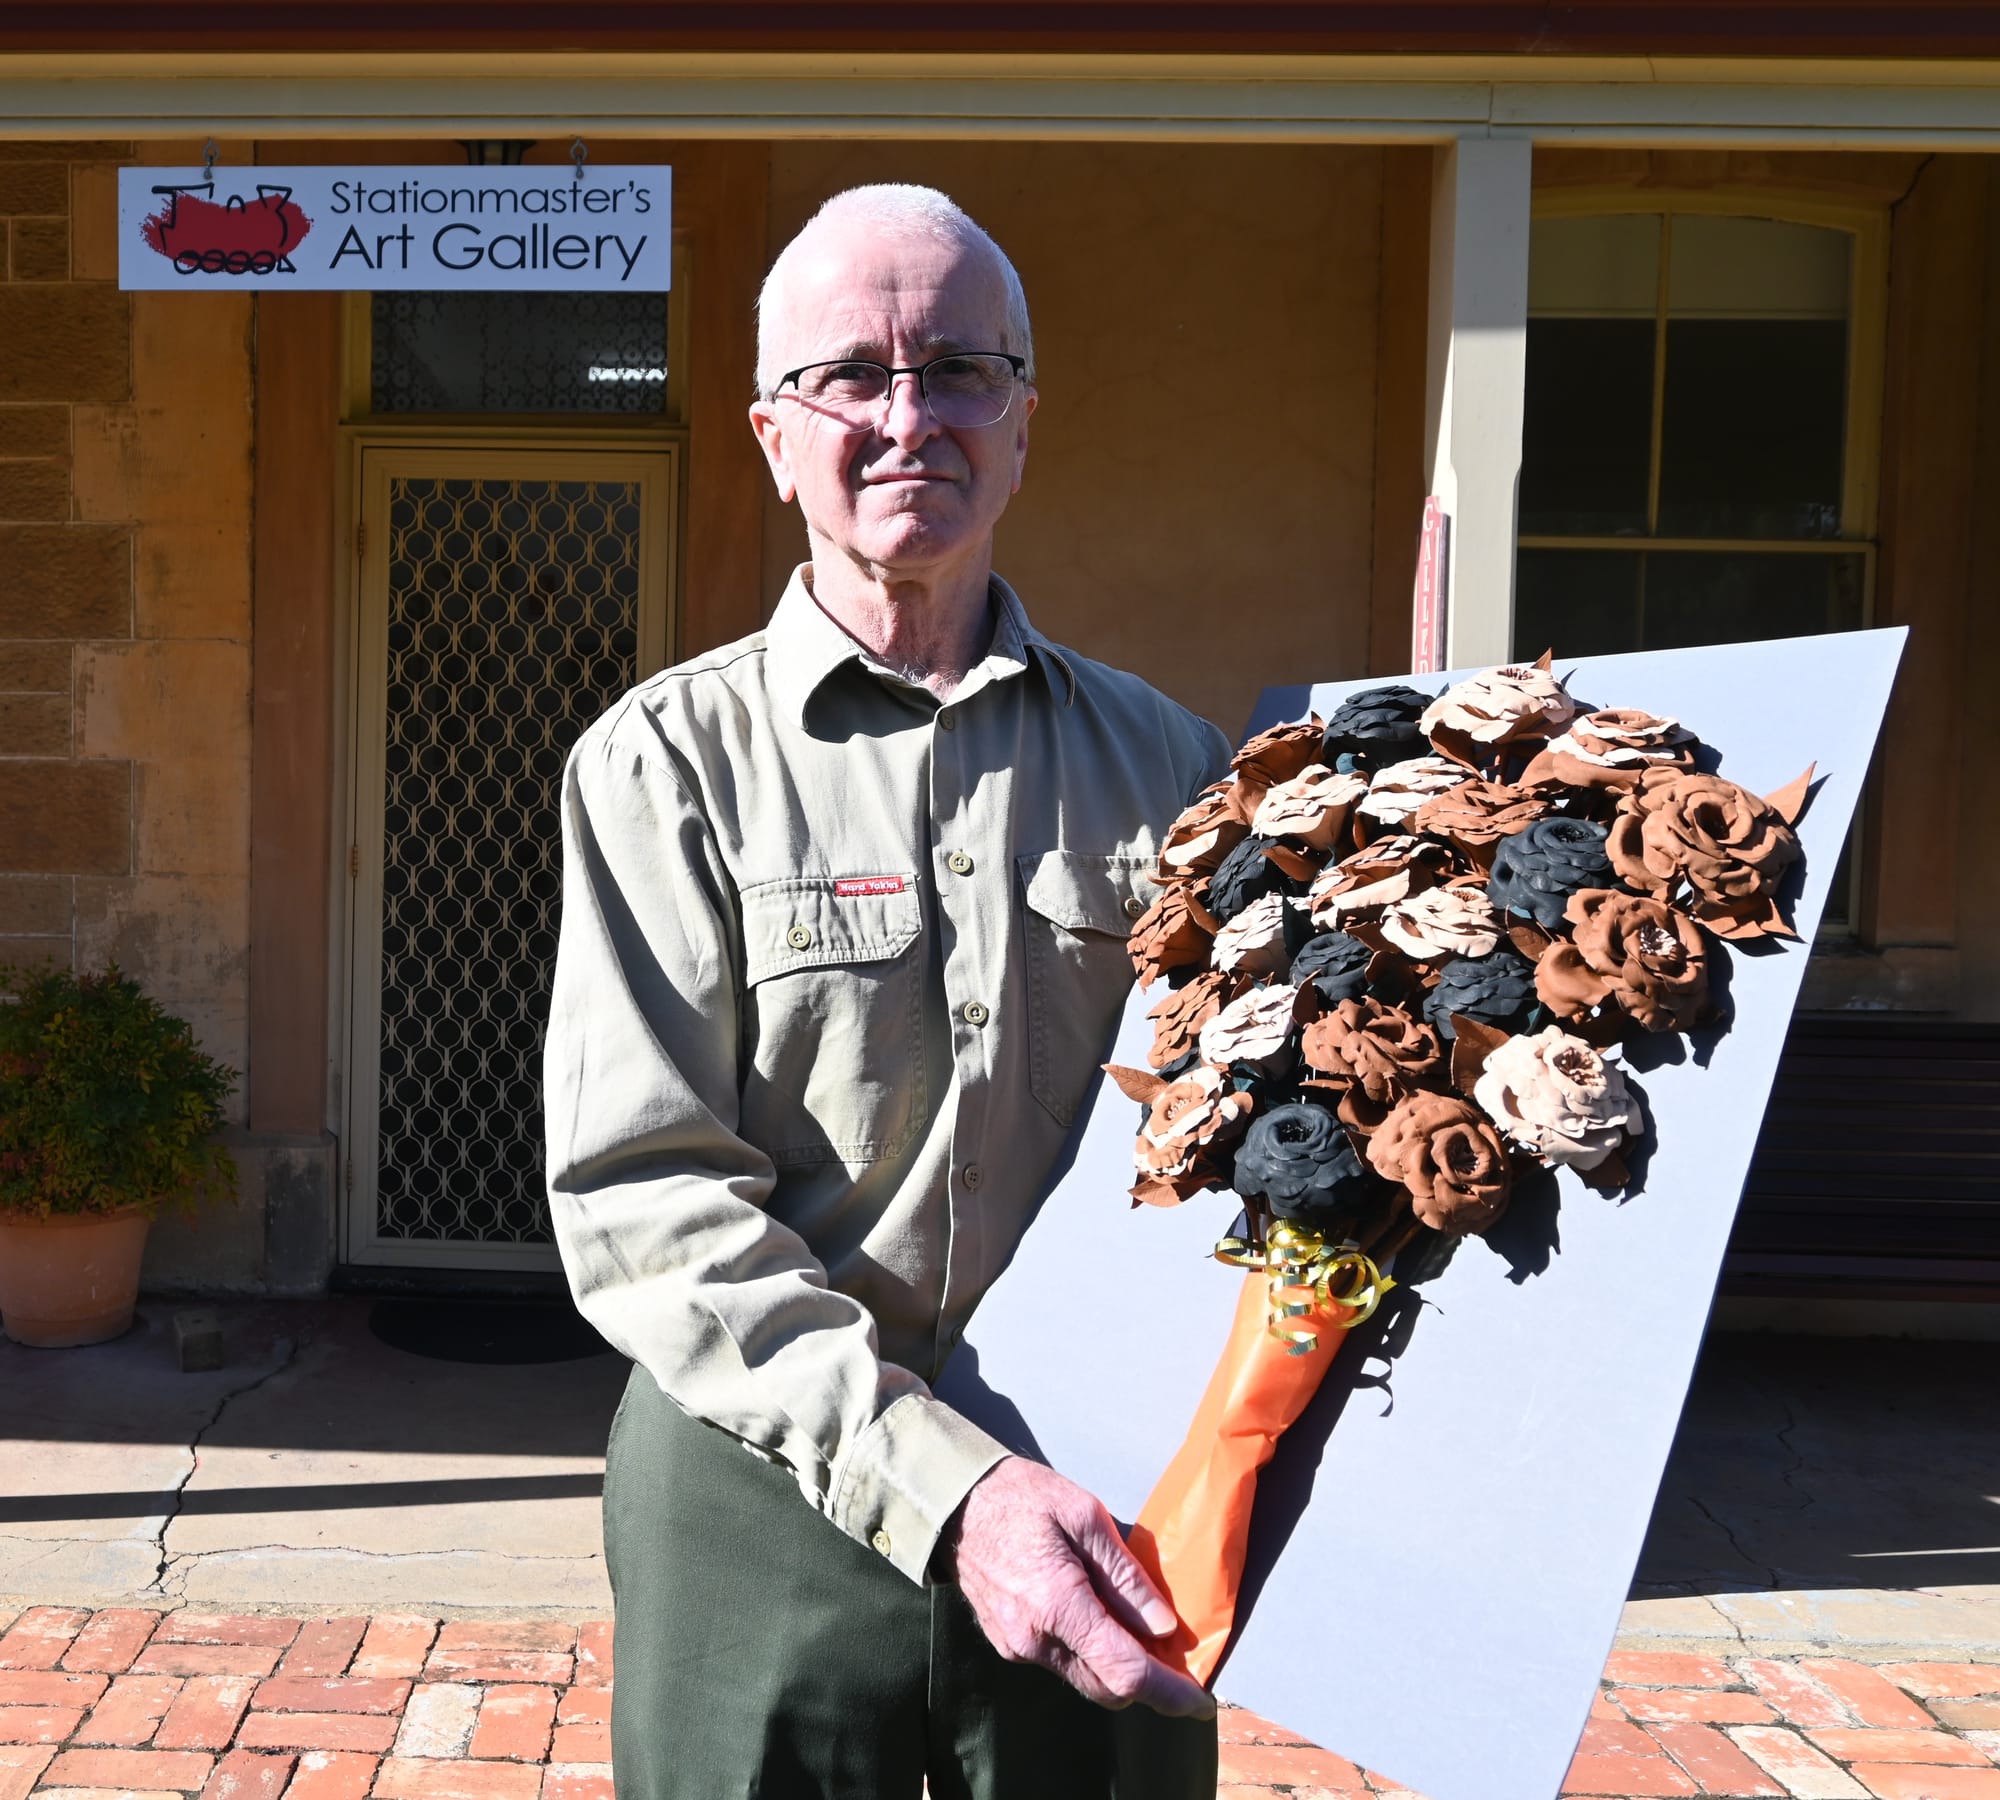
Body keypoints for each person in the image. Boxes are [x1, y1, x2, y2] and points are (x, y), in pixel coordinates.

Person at [544, 183, 1231, 1800]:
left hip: (1104, 1490)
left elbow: (1233, 1150)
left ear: (1024, 421)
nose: (910, 415)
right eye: (854, 373)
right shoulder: (662, 765)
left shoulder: (1182, 770)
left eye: (962, 370)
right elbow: (644, 1199)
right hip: (759, 1485)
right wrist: (949, 1485)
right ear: (777, 435)